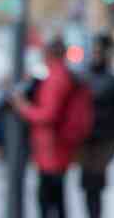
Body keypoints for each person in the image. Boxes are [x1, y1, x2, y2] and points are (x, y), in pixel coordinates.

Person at [10, 37, 75, 218]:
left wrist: (23, 107)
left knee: (48, 199)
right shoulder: (59, 75)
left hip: (52, 146)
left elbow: (48, 114)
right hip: (54, 146)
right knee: (55, 197)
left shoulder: (56, 78)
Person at [77, 34, 114, 218]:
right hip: (86, 137)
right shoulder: (83, 78)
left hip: (104, 138)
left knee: (95, 183)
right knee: (89, 184)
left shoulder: (113, 81)